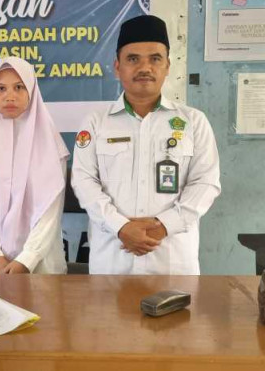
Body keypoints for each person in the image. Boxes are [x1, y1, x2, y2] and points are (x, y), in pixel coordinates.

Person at [71, 15, 221, 275]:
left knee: (178, 306)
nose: (144, 68)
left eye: (155, 59)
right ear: (117, 67)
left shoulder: (193, 121)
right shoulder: (95, 123)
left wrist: (163, 226)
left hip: (173, 262)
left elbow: (206, 183)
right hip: (112, 262)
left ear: (167, 66)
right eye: (133, 59)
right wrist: (121, 227)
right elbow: (84, 182)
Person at [0, 57, 69, 274]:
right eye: (0, 88)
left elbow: (51, 210)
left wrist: (27, 259)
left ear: (31, 90)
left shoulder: (50, 144)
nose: (10, 96)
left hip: (40, 264)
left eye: (19, 87)